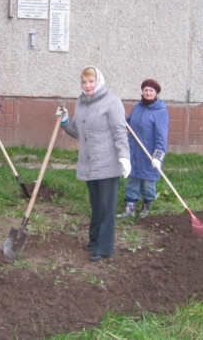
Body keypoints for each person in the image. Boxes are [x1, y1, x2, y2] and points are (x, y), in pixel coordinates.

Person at [56, 66, 130, 261]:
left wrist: (124, 156)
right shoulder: (81, 103)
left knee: (107, 207)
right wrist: (64, 120)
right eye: (84, 82)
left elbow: (119, 131)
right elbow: (76, 131)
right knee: (97, 205)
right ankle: (94, 240)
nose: (88, 85)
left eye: (91, 81)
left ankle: (104, 247)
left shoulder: (112, 102)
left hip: (107, 162)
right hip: (89, 162)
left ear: (99, 82)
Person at [117, 79, 169, 219]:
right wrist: (120, 117)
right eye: (145, 90)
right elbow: (130, 124)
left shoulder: (160, 112)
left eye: (151, 90)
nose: (148, 93)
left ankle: (146, 207)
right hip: (134, 151)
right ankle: (130, 209)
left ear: (156, 93)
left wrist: (158, 157)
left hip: (149, 155)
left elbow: (161, 137)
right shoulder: (138, 107)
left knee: (148, 183)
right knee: (132, 180)